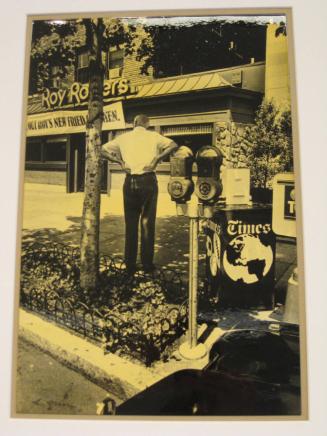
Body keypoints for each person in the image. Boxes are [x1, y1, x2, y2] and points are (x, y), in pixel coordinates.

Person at [102, 114, 178, 275]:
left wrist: (119, 162)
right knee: (147, 223)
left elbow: (102, 149)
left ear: (134, 123)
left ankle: (130, 265)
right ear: (147, 124)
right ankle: (147, 265)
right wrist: (156, 159)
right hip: (148, 180)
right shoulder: (153, 136)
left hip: (129, 182)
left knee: (131, 225)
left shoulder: (123, 138)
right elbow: (173, 145)